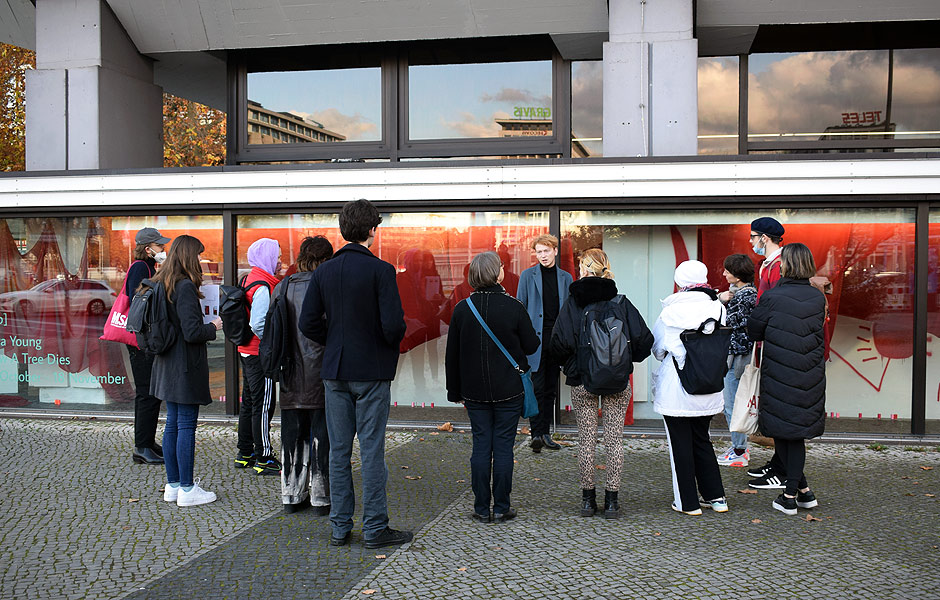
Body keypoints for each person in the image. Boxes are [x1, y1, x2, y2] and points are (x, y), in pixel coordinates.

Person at [299, 199, 412, 549]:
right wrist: (383, 344)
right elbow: (393, 326)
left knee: (338, 450)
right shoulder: (381, 271)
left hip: (335, 371)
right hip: (372, 371)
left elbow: (307, 323)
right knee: (372, 450)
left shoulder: (324, 271)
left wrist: (333, 341)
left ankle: (339, 527)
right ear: (372, 231)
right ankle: (375, 527)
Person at [549, 249, 653, 519]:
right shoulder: (621, 302)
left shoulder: (573, 302)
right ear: (606, 268)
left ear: (584, 269)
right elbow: (644, 340)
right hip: (618, 382)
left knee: (586, 440)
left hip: (582, 380)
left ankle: (587, 501)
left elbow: (558, 343)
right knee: (614, 441)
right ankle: (612, 502)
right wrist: (625, 362)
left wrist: (570, 365)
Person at [445, 252, 539, 524]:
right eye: (500, 267)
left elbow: (452, 355)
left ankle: (481, 507)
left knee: (480, 446)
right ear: (497, 274)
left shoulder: (463, 308)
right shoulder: (513, 306)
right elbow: (532, 345)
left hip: (474, 392)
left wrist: (454, 391)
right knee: (503, 448)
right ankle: (501, 507)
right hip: (508, 388)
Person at [747, 243, 825, 515]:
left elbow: (754, 331)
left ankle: (790, 495)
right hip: (810, 373)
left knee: (787, 432)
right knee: (791, 432)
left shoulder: (773, 297)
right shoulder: (817, 298)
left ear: (786, 265)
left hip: (780, 372)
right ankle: (804, 492)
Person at [149, 235, 223, 507]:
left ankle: (174, 484)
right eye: (199, 256)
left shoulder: (162, 282)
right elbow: (193, 332)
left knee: (172, 425)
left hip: (166, 362)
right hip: (184, 366)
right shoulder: (185, 286)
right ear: (189, 256)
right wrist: (215, 325)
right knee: (186, 426)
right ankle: (188, 490)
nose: (201, 261)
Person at [651, 260, 728, 516]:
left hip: (678, 389)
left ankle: (688, 503)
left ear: (679, 281)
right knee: (702, 440)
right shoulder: (717, 308)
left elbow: (658, 349)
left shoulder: (670, 311)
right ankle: (716, 497)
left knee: (680, 446)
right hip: (709, 386)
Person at [277, 236, 333, 514]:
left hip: (289, 372)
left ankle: (291, 494)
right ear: (325, 260)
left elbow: (269, 327)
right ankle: (321, 497)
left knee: (292, 434)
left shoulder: (283, 286)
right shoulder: (328, 286)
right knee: (322, 434)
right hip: (322, 371)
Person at [517, 234, 573, 453]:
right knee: (536, 387)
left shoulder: (566, 278)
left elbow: (569, 311)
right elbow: (520, 309)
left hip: (556, 340)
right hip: (535, 340)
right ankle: (535, 434)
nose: (542, 255)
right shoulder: (527, 276)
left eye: (546, 251)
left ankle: (546, 433)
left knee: (551, 389)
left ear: (555, 251)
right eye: (539, 252)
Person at [745, 216, 789, 489]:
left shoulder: (779, 266)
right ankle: (779, 462)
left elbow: (775, 306)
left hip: (777, 345)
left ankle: (784, 470)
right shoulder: (768, 265)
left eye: (753, 236)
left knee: (780, 408)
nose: (751, 241)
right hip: (768, 343)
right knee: (773, 406)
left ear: (765, 237)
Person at [234, 237, 282, 475]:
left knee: (250, 402)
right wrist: (271, 343)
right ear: (267, 258)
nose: (281, 262)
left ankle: (245, 453)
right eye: (278, 256)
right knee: (263, 405)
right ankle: (264, 457)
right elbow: (258, 323)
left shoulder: (248, 278)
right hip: (257, 352)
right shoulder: (262, 285)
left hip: (245, 350)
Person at [126, 227, 170, 465]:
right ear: (148, 249)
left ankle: (147, 441)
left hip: (143, 339)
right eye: (160, 246)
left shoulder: (148, 267)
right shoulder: (140, 268)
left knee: (151, 394)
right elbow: (140, 299)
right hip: (140, 341)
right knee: (146, 394)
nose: (163, 249)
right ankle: (142, 446)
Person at [716, 254, 757, 468]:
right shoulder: (741, 293)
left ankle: (740, 450)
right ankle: (739, 447)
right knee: (732, 403)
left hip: (738, 358)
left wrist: (720, 302)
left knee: (732, 404)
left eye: (727, 271)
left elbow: (730, 321)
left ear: (738, 274)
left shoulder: (745, 296)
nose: (724, 274)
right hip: (737, 356)